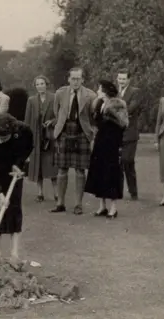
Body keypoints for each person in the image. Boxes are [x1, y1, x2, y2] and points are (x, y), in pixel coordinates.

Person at [0, 113, 34, 260]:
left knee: (14, 209)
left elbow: (29, 146)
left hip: (13, 172)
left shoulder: (23, 130)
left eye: (4, 138)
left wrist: (19, 163)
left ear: (12, 132)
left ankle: (14, 253)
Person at [50, 67, 97, 215]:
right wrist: (60, 127)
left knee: (80, 170)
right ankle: (60, 203)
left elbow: (92, 116)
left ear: (83, 80)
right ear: (68, 79)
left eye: (78, 79)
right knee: (62, 169)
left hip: (81, 132)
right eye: (73, 78)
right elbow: (57, 112)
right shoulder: (60, 93)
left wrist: (90, 132)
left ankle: (78, 205)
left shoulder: (90, 95)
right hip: (64, 131)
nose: (75, 81)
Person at [85, 80, 128, 218]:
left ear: (105, 91)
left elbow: (122, 125)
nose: (98, 91)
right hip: (101, 141)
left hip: (112, 142)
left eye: (100, 89)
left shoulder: (117, 105)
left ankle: (113, 208)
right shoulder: (99, 104)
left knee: (111, 173)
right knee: (99, 172)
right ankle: (102, 205)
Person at [24, 75, 58, 202]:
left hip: (49, 137)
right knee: (37, 165)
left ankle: (56, 193)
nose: (40, 86)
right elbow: (27, 121)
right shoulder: (31, 100)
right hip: (36, 137)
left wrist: (52, 121)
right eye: (37, 84)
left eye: (42, 83)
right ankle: (40, 193)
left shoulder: (54, 98)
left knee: (52, 165)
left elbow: (60, 116)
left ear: (46, 84)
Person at [117, 68, 141, 200]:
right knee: (117, 164)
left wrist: (116, 108)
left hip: (130, 133)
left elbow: (131, 108)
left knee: (128, 161)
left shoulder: (135, 92)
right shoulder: (114, 92)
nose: (121, 81)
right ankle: (118, 190)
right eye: (119, 79)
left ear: (129, 79)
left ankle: (133, 191)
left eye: (123, 79)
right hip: (117, 133)